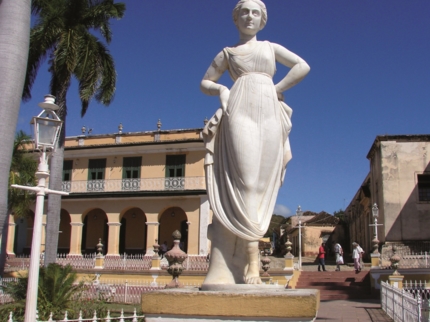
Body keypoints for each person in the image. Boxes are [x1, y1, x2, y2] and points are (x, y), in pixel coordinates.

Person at [201, 0, 310, 285]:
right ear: (235, 19)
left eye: (255, 13)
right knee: (246, 181)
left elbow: (302, 66)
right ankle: (251, 261)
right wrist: (222, 88)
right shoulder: (228, 53)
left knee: (261, 183)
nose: (250, 16)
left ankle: (248, 257)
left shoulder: (270, 48)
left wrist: (276, 89)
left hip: (269, 110)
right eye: (244, 12)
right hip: (239, 108)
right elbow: (205, 82)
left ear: (263, 20)